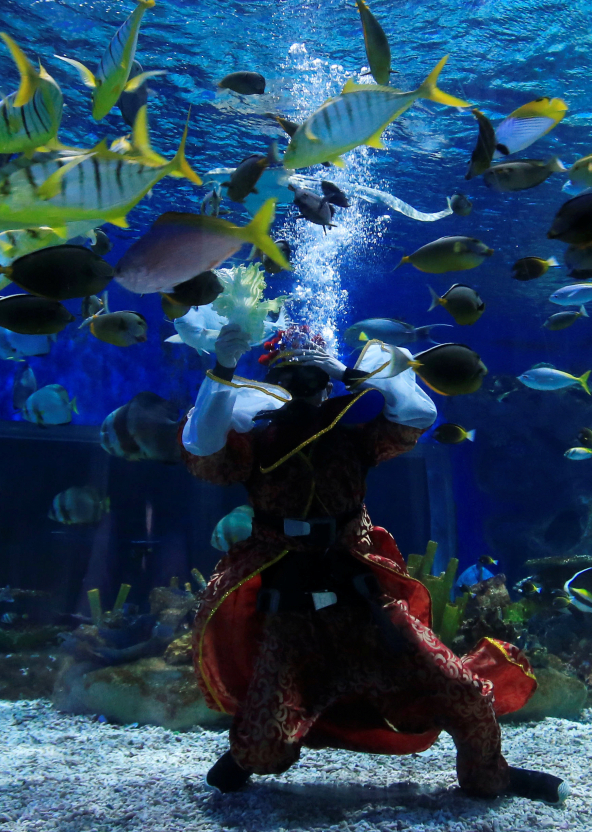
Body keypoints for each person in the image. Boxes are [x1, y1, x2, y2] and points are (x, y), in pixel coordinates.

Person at [180, 323, 567, 803]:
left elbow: (417, 414)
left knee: (464, 693)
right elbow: (202, 446)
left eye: (315, 379)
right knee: (264, 747)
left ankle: (492, 776)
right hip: (292, 615)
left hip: (368, 606)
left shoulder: (355, 439)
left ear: (329, 385)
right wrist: (222, 367)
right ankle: (246, 756)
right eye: (292, 380)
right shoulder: (253, 448)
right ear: (276, 386)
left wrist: (353, 373)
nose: (305, 389)